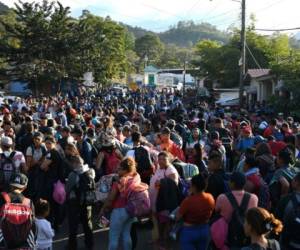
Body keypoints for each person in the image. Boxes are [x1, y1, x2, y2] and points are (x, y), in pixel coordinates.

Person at [100, 157, 140, 250]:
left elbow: (110, 199)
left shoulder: (120, 181)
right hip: (130, 209)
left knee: (114, 237)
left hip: (118, 211)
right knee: (126, 234)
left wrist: (103, 209)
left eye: (119, 169)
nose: (117, 170)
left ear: (125, 170)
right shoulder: (135, 178)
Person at [176, 174, 215, 250]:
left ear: (193, 186)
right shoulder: (210, 197)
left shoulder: (188, 201)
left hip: (189, 232)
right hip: (205, 230)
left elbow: (178, 217)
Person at [65, 155, 95, 250]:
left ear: (74, 163)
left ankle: (72, 246)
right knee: (88, 224)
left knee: (73, 226)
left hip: (75, 202)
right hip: (87, 202)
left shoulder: (73, 174)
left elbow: (67, 189)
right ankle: (89, 244)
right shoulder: (90, 171)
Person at [0, 173, 36, 249]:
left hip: (3, 244)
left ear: (10, 185)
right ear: (25, 187)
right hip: (23, 245)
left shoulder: (2, 198)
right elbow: (33, 226)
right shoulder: (28, 203)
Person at [276, 172, 300, 250]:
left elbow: (276, 222)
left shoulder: (286, 199)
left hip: (285, 243)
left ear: (297, 183)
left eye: (293, 180)